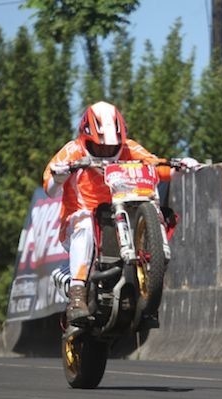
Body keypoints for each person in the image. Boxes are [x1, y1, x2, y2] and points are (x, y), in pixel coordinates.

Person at [43, 101, 199, 325]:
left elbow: (155, 165)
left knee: (153, 212)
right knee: (85, 222)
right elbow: (49, 187)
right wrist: (59, 176)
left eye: (111, 148)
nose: (106, 153)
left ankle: (146, 288)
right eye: (100, 148)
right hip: (78, 221)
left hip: (120, 215)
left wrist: (180, 167)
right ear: (86, 139)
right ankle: (77, 294)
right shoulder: (72, 150)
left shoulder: (129, 148)